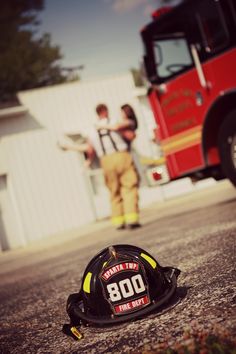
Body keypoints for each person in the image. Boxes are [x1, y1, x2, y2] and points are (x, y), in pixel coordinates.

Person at [59, 103, 140, 230]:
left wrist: (70, 148)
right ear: (106, 111)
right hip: (122, 156)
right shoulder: (115, 122)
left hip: (105, 161)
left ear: (97, 113)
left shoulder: (92, 130)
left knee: (114, 191)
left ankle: (118, 221)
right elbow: (130, 135)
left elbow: (89, 149)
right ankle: (132, 219)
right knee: (129, 187)